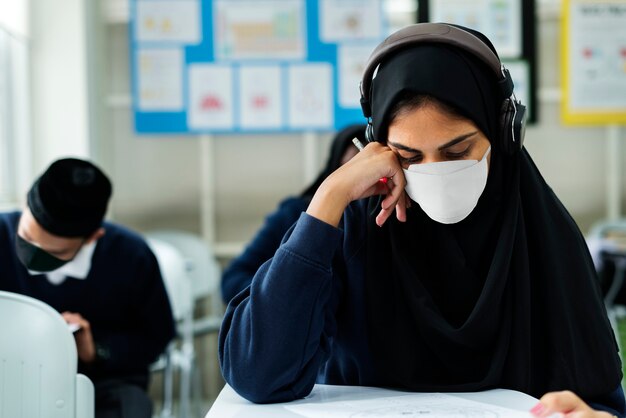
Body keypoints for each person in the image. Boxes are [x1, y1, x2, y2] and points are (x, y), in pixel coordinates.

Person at [218, 22, 626, 416]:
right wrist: (329, 196)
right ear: (378, 146)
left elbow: (600, 400)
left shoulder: (544, 237)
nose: (435, 172)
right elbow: (258, 375)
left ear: (503, 135)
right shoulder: (356, 232)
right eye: (409, 157)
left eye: (457, 151)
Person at [0, 158, 176, 418]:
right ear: (25, 205)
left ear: (93, 237)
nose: (33, 255)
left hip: (103, 384)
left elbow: (156, 337)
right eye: (26, 237)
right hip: (10, 374)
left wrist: (97, 350)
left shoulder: (130, 256)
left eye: (53, 252)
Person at [220, 123, 367, 304]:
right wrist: (276, 296)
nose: (361, 183)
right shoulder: (297, 215)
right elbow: (233, 278)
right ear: (334, 171)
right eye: (351, 170)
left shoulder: (388, 219)